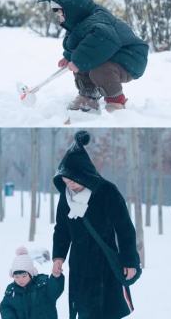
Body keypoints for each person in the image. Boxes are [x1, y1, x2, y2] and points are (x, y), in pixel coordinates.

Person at [52, 130, 140, 319]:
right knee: (84, 312)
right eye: (66, 181)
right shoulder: (65, 197)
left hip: (105, 263)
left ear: (84, 174)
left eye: (73, 180)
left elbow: (124, 228)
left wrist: (130, 261)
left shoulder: (107, 191)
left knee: (106, 312)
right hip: (79, 266)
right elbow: (61, 229)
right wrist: (58, 256)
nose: (70, 185)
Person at [37, 0, 149, 112]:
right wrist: (69, 57)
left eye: (59, 11)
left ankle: (116, 101)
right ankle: (89, 96)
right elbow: (79, 43)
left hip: (130, 56)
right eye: (55, 11)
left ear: (72, 7)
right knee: (83, 62)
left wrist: (77, 60)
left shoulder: (98, 20)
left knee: (99, 69)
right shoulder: (80, 21)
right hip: (112, 53)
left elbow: (102, 40)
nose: (57, 15)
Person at [0, 246, 64, 319]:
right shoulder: (12, 291)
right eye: (16, 277)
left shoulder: (42, 286)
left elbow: (55, 290)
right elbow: (5, 307)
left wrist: (56, 277)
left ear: (31, 274)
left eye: (24, 276)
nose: (20, 280)